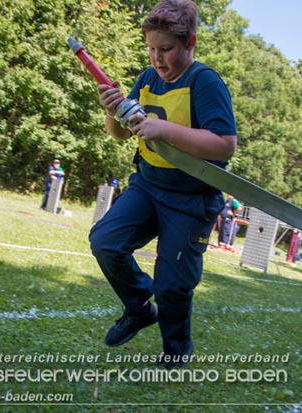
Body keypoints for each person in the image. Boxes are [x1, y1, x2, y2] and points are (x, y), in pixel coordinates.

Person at [89, 0, 236, 369]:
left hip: (191, 199)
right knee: (105, 241)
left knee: (172, 285)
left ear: (190, 44)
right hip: (148, 186)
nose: (156, 57)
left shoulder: (204, 81)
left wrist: (165, 129)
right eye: (151, 48)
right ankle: (139, 308)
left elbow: (224, 145)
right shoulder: (146, 78)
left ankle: (176, 350)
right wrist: (112, 112)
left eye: (166, 49)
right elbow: (121, 134)